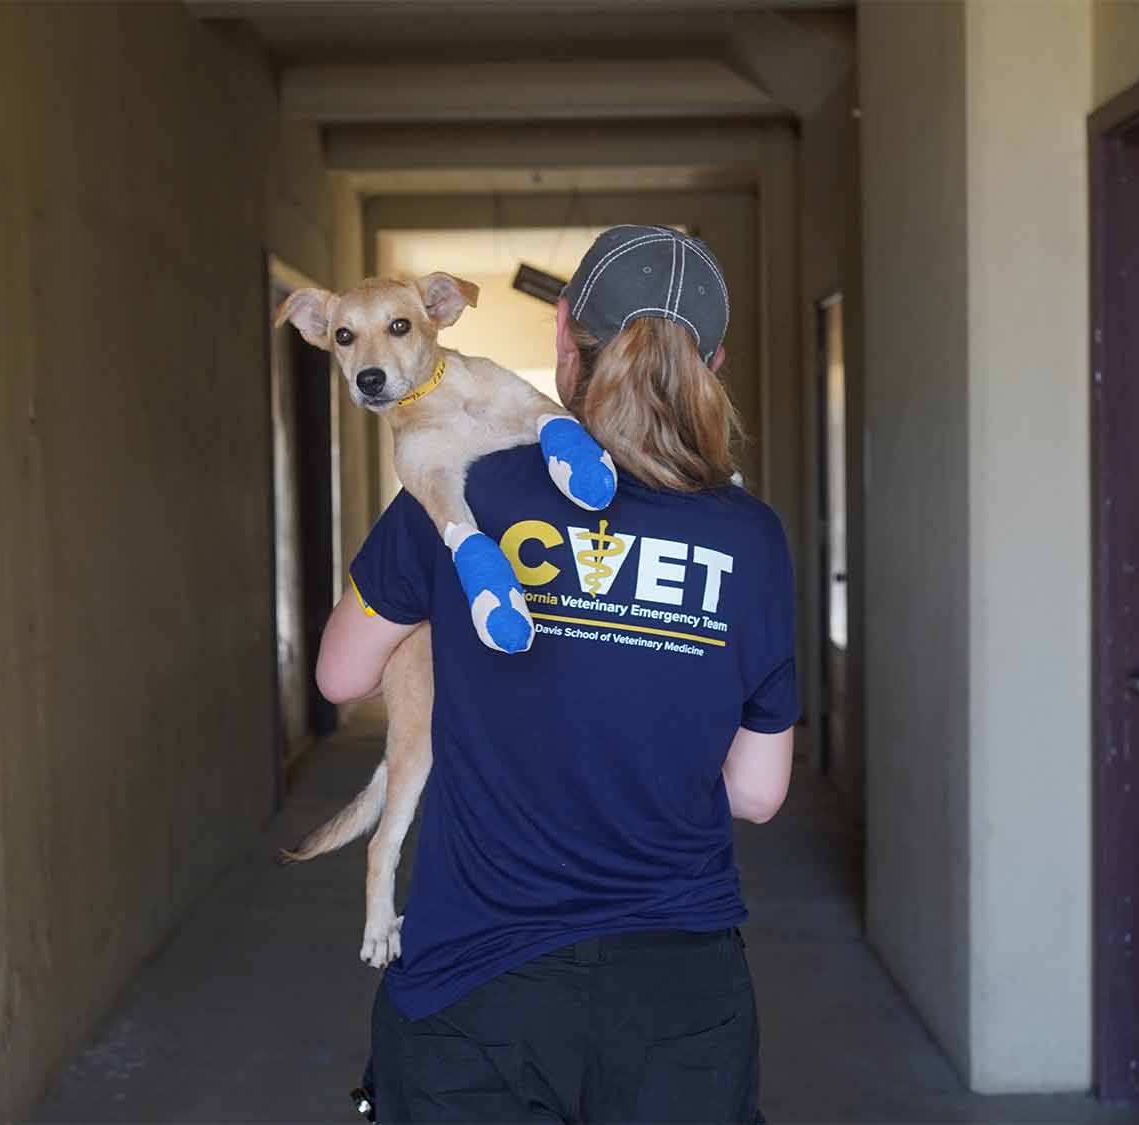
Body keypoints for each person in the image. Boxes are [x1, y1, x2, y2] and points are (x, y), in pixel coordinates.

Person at [317, 225, 797, 1124]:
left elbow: (343, 673)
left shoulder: (466, 485)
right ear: (716, 362)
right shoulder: (750, 537)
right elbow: (758, 791)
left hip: (475, 987)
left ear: (565, 335)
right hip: (676, 999)